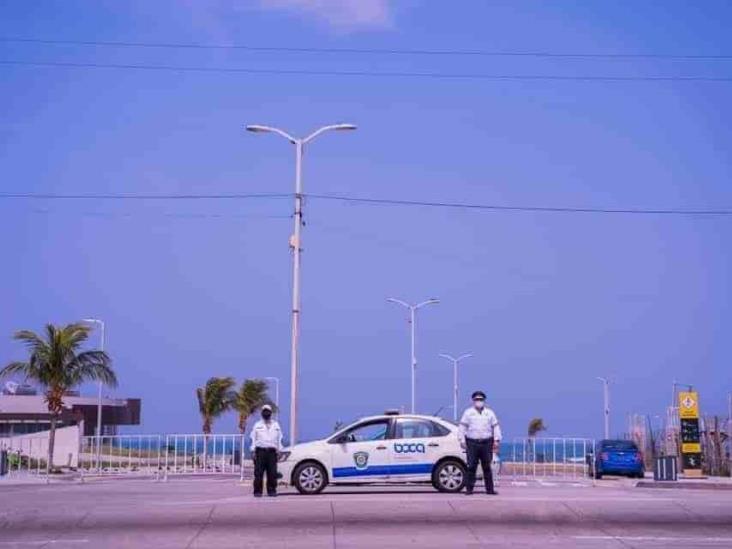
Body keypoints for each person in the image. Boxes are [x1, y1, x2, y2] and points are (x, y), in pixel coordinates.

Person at [458, 390, 502, 495]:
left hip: (486, 443)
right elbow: (462, 427)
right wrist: (461, 440)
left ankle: (489, 490)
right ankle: (469, 489)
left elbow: (495, 427)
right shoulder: (468, 413)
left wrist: (496, 440)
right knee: (471, 466)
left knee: (487, 466)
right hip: (472, 443)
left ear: (484, 401)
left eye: (481, 399)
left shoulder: (490, 413)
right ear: (473, 401)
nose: (479, 401)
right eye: (477, 399)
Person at [250, 404, 283, 497]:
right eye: (264, 411)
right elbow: (253, 438)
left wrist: (279, 450)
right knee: (258, 473)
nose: (266, 413)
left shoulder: (276, 425)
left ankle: (272, 490)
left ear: (271, 413)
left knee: (272, 473)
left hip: (272, 452)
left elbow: (279, 438)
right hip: (260, 451)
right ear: (262, 413)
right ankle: (257, 491)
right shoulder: (257, 425)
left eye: (268, 411)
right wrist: (253, 451)